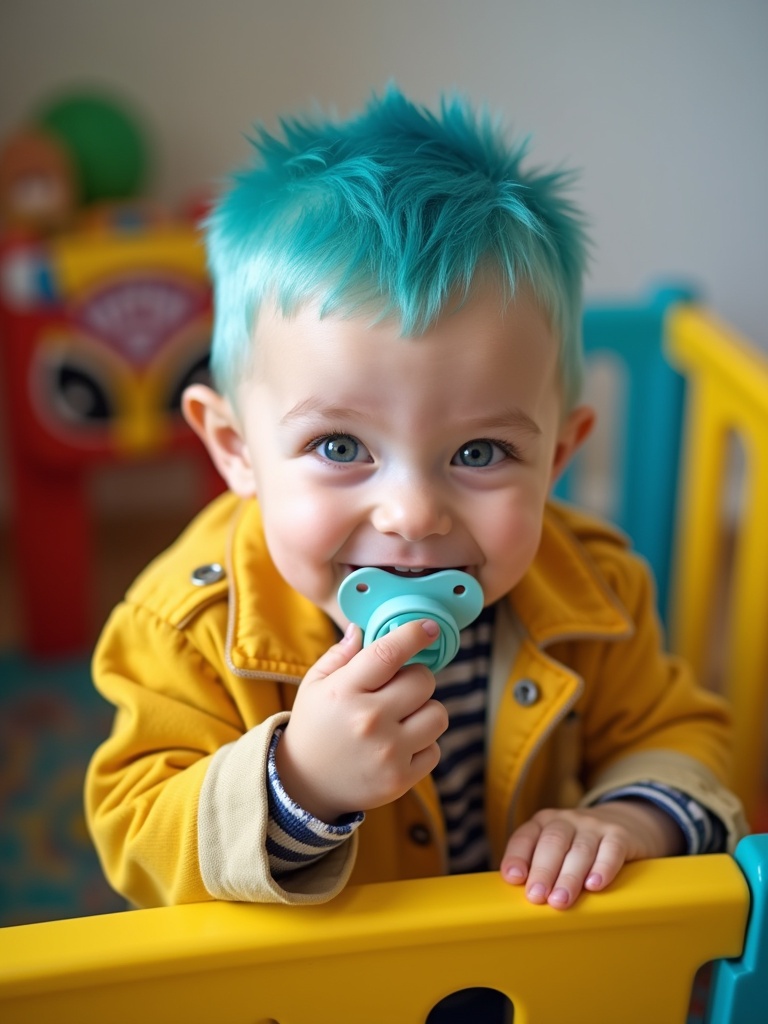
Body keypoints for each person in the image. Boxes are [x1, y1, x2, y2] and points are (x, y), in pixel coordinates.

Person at [85, 87, 746, 920]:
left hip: (527, 965)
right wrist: (299, 785)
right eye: (339, 448)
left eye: (479, 453)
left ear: (557, 458)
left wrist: (629, 818)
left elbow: (679, 733)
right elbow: (134, 839)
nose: (411, 514)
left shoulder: (597, 592)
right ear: (233, 449)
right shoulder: (185, 627)